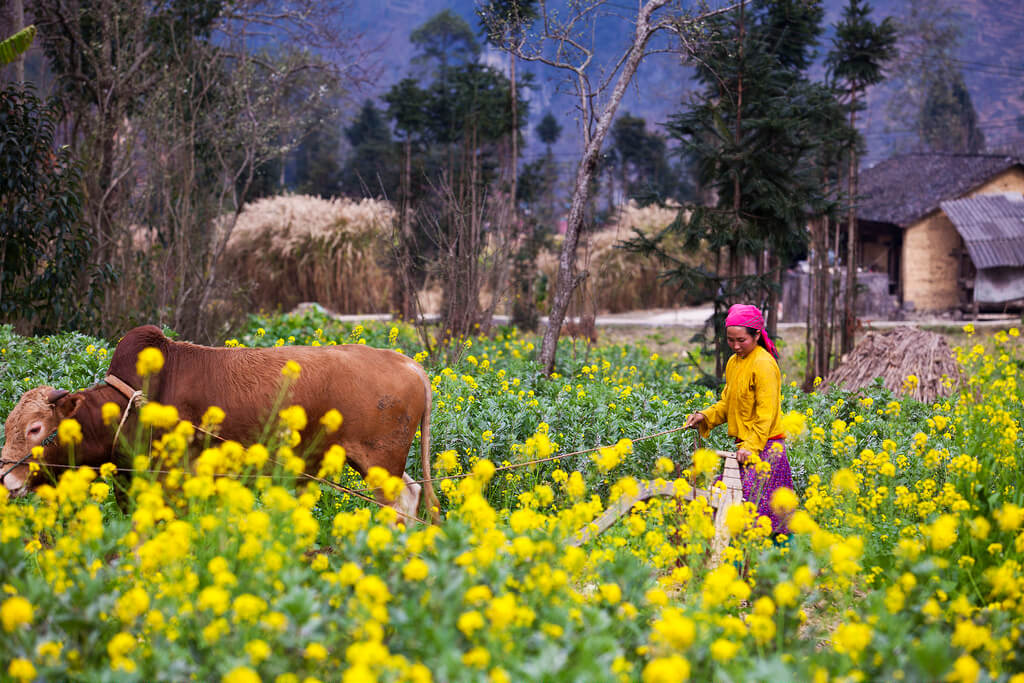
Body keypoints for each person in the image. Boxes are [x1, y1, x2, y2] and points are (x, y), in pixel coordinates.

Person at [683, 304, 793, 538]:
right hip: (744, 450)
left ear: (756, 335)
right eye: (730, 340)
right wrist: (705, 416)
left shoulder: (764, 364)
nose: (735, 346)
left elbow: (767, 414)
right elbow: (728, 404)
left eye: (741, 340)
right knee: (727, 507)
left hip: (766, 450)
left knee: (761, 519)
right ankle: (731, 566)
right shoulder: (734, 362)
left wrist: (752, 447)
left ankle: (776, 567)